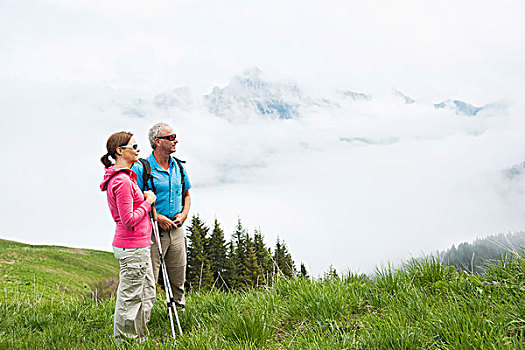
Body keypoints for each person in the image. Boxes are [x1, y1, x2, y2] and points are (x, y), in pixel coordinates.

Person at [99, 131, 157, 342]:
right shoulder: (122, 181)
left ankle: (139, 337)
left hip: (140, 245)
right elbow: (128, 220)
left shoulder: (126, 178)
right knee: (130, 297)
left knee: (146, 293)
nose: (138, 150)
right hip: (132, 247)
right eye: (134, 146)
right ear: (120, 151)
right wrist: (148, 202)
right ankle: (125, 341)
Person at [131, 122, 191, 309]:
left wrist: (183, 215)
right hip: (151, 232)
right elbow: (134, 200)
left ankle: (178, 313)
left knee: (178, 277)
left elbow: (187, 195)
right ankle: (142, 321)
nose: (176, 141)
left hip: (176, 230)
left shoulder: (179, 167)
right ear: (158, 142)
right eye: (171, 138)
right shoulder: (141, 168)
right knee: (149, 279)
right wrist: (158, 217)